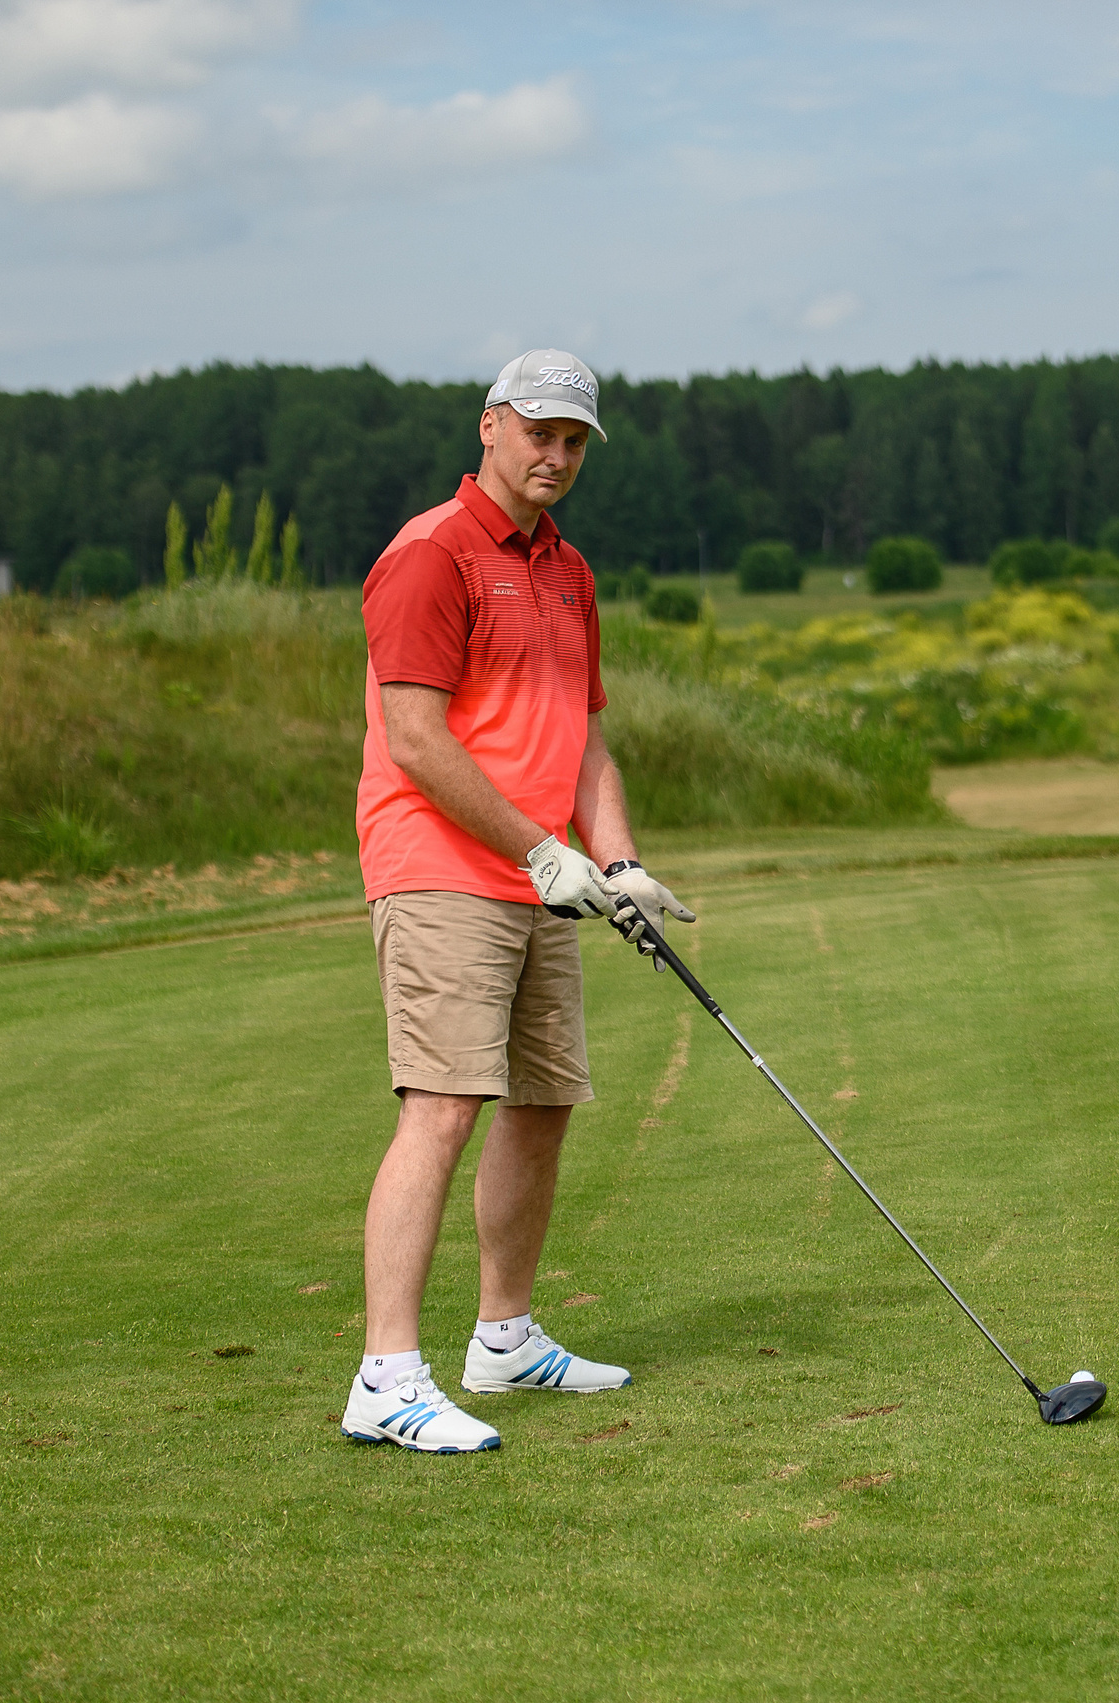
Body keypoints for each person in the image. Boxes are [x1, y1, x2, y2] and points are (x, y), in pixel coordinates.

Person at [340, 349, 694, 1454]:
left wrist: (620, 860)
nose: (556, 454)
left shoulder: (569, 571)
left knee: (541, 1100)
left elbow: (583, 734)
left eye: (575, 439)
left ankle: (503, 1337)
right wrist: (547, 853)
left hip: (543, 878)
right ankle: (385, 1376)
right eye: (538, 431)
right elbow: (414, 736)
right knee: (443, 1102)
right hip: (441, 865)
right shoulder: (429, 554)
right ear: (489, 427)